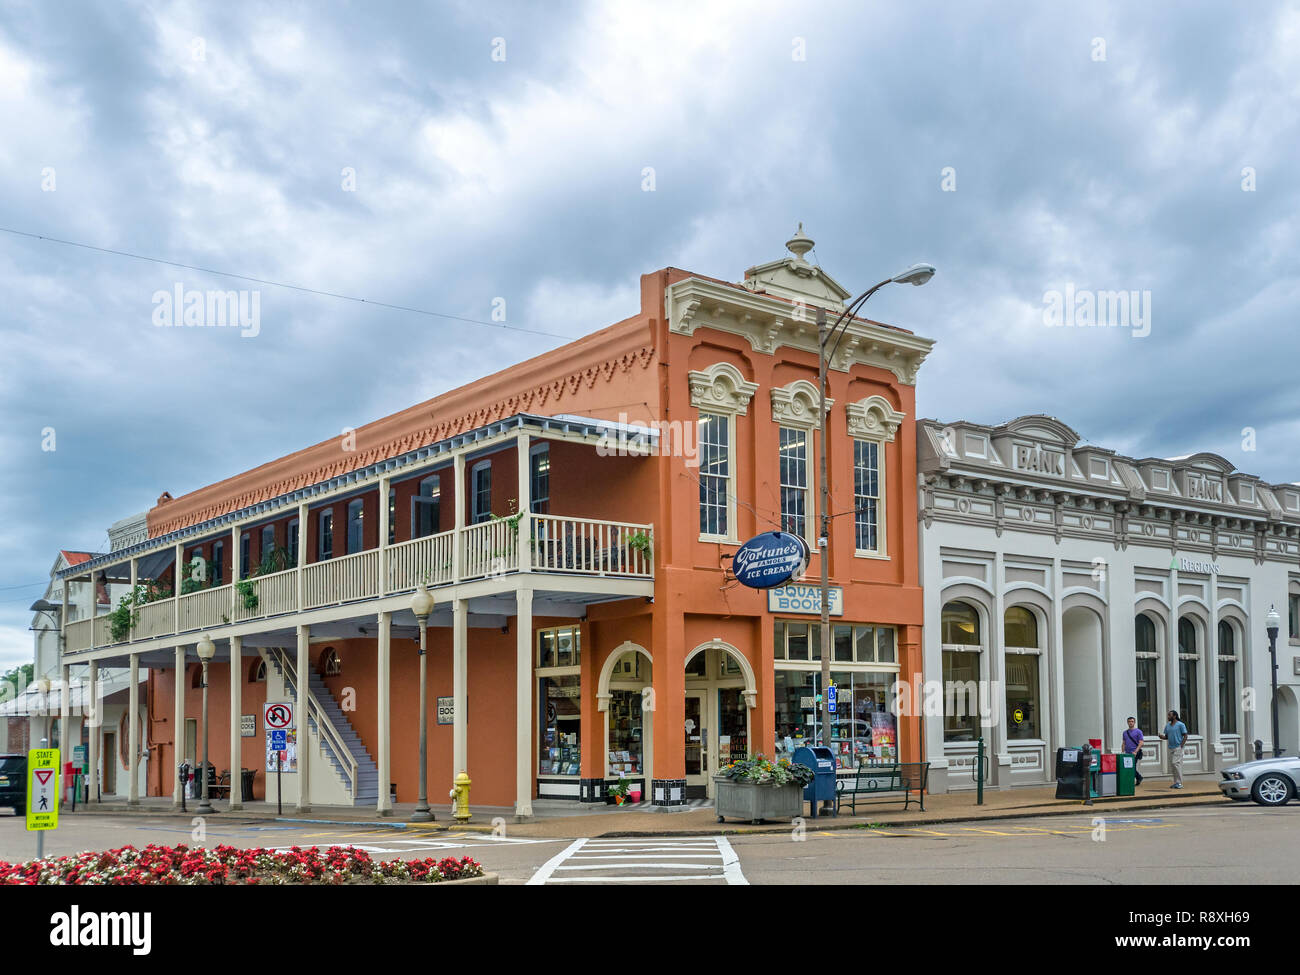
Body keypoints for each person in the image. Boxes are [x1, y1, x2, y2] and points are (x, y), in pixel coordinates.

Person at [1159, 709, 1188, 789]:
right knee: (1173, 765)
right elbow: (1167, 737)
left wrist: (1181, 745)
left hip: (1178, 747)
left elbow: (1185, 735)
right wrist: (1162, 737)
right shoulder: (1167, 725)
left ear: (1174, 716)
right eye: (1168, 715)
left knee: (1175, 763)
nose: (1168, 716)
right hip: (1171, 747)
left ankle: (1179, 783)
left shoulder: (1180, 725)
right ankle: (1176, 783)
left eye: (1169, 715)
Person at [1121, 716, 1144, 786]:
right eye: (1129, 721)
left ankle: (1137, 778)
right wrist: (1122, 751)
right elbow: (1124, 743)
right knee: (1128, 767)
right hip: (1127, 753)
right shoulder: (1125, 732)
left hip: (1135, 753)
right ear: (1127, 722)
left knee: (1132, 767)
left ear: (1134, 722)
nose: (1130, 723)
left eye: (1132, 721)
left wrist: (1135, 751)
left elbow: (1141, 742)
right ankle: (1138, 777)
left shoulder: (1138, 731)